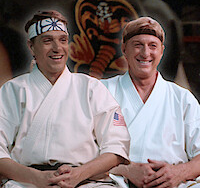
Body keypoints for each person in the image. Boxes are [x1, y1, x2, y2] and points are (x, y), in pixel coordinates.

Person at [0, 10, 130, 188]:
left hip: (87, 181)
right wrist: (37, 178)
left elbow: (117, 147)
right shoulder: (13, 90)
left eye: (62, 40)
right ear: (31, 46)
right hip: (28, 181)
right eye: (47, 40)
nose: (57, 48)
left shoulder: (91, 88)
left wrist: (79, 174)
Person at [101, 17, 200, 188]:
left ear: (162, 51)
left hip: (174, 183)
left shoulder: (182, 98)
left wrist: (179, 172)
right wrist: (126, 170)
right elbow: (81, 152)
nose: (145, 53)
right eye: (138, 45)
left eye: (153, 46)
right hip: (115, 181)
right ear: (124, 49)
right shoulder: (102, 91)